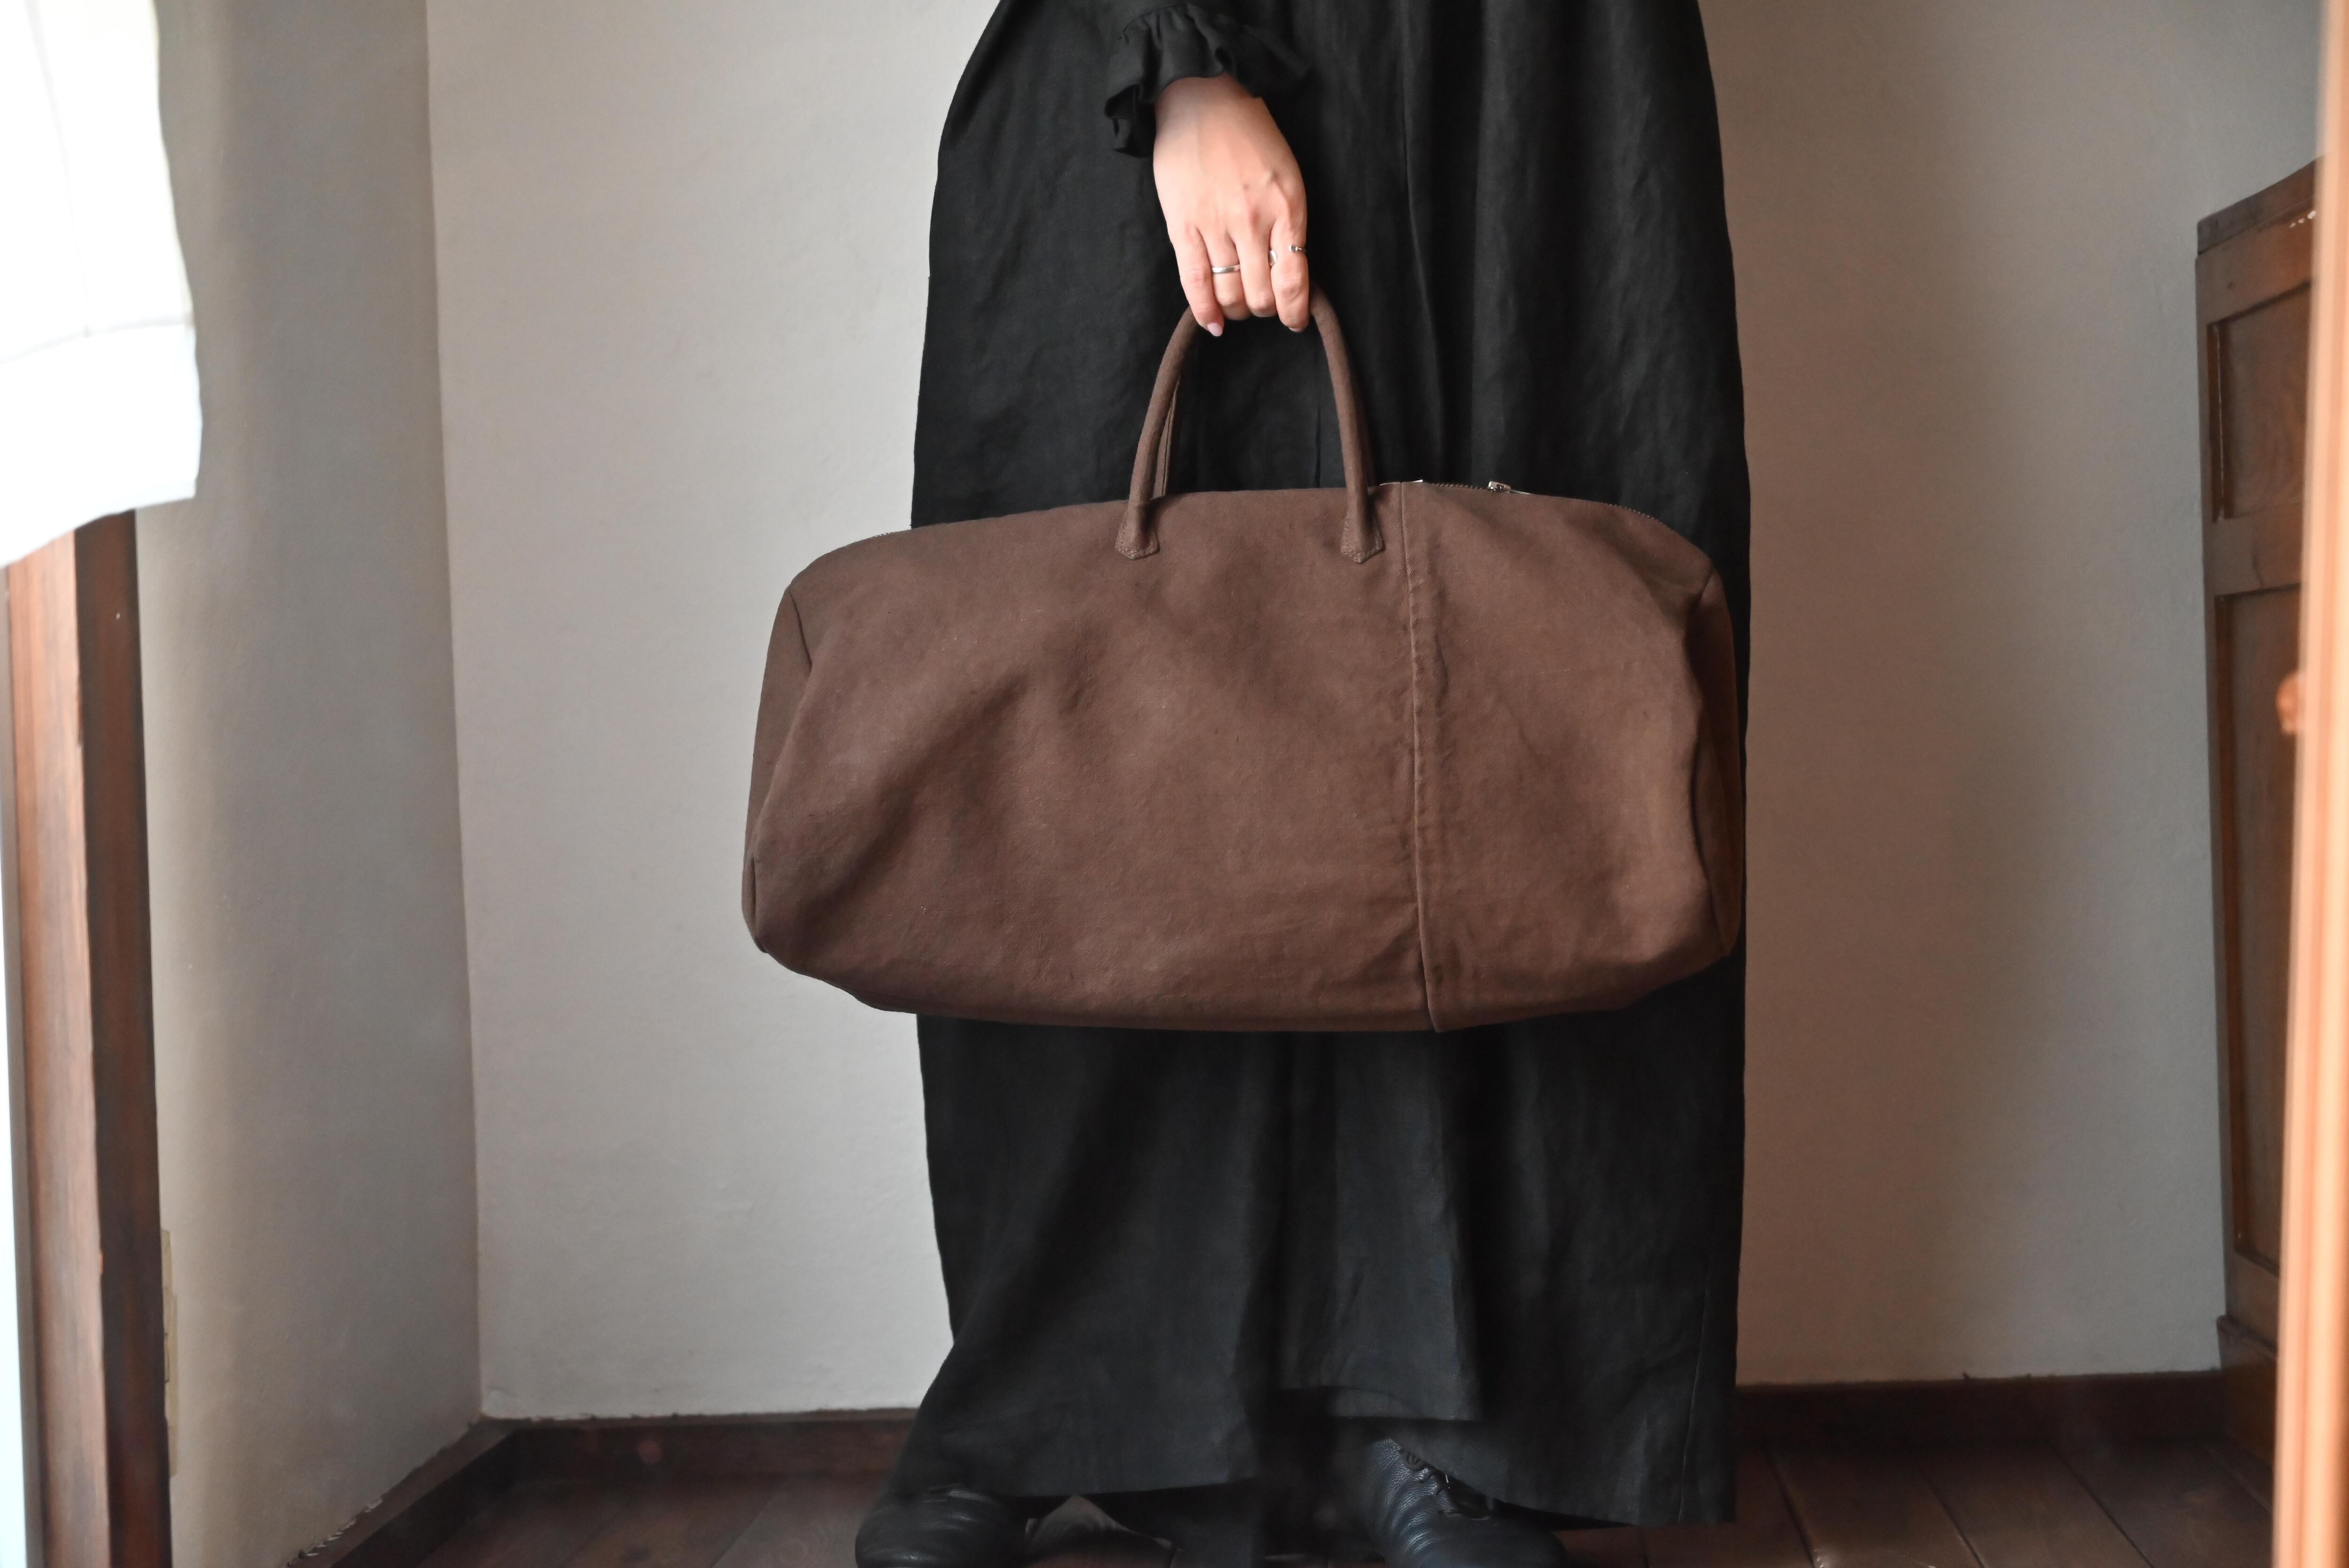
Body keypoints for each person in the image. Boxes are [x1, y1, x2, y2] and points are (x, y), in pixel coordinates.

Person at [857, 6, 1749, 1568]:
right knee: (1090, 770)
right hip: (1138, 80)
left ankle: (1466, 1439)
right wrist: (1178, 62)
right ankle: (1053, 1403)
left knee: (1527, 732)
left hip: (1521, 80)